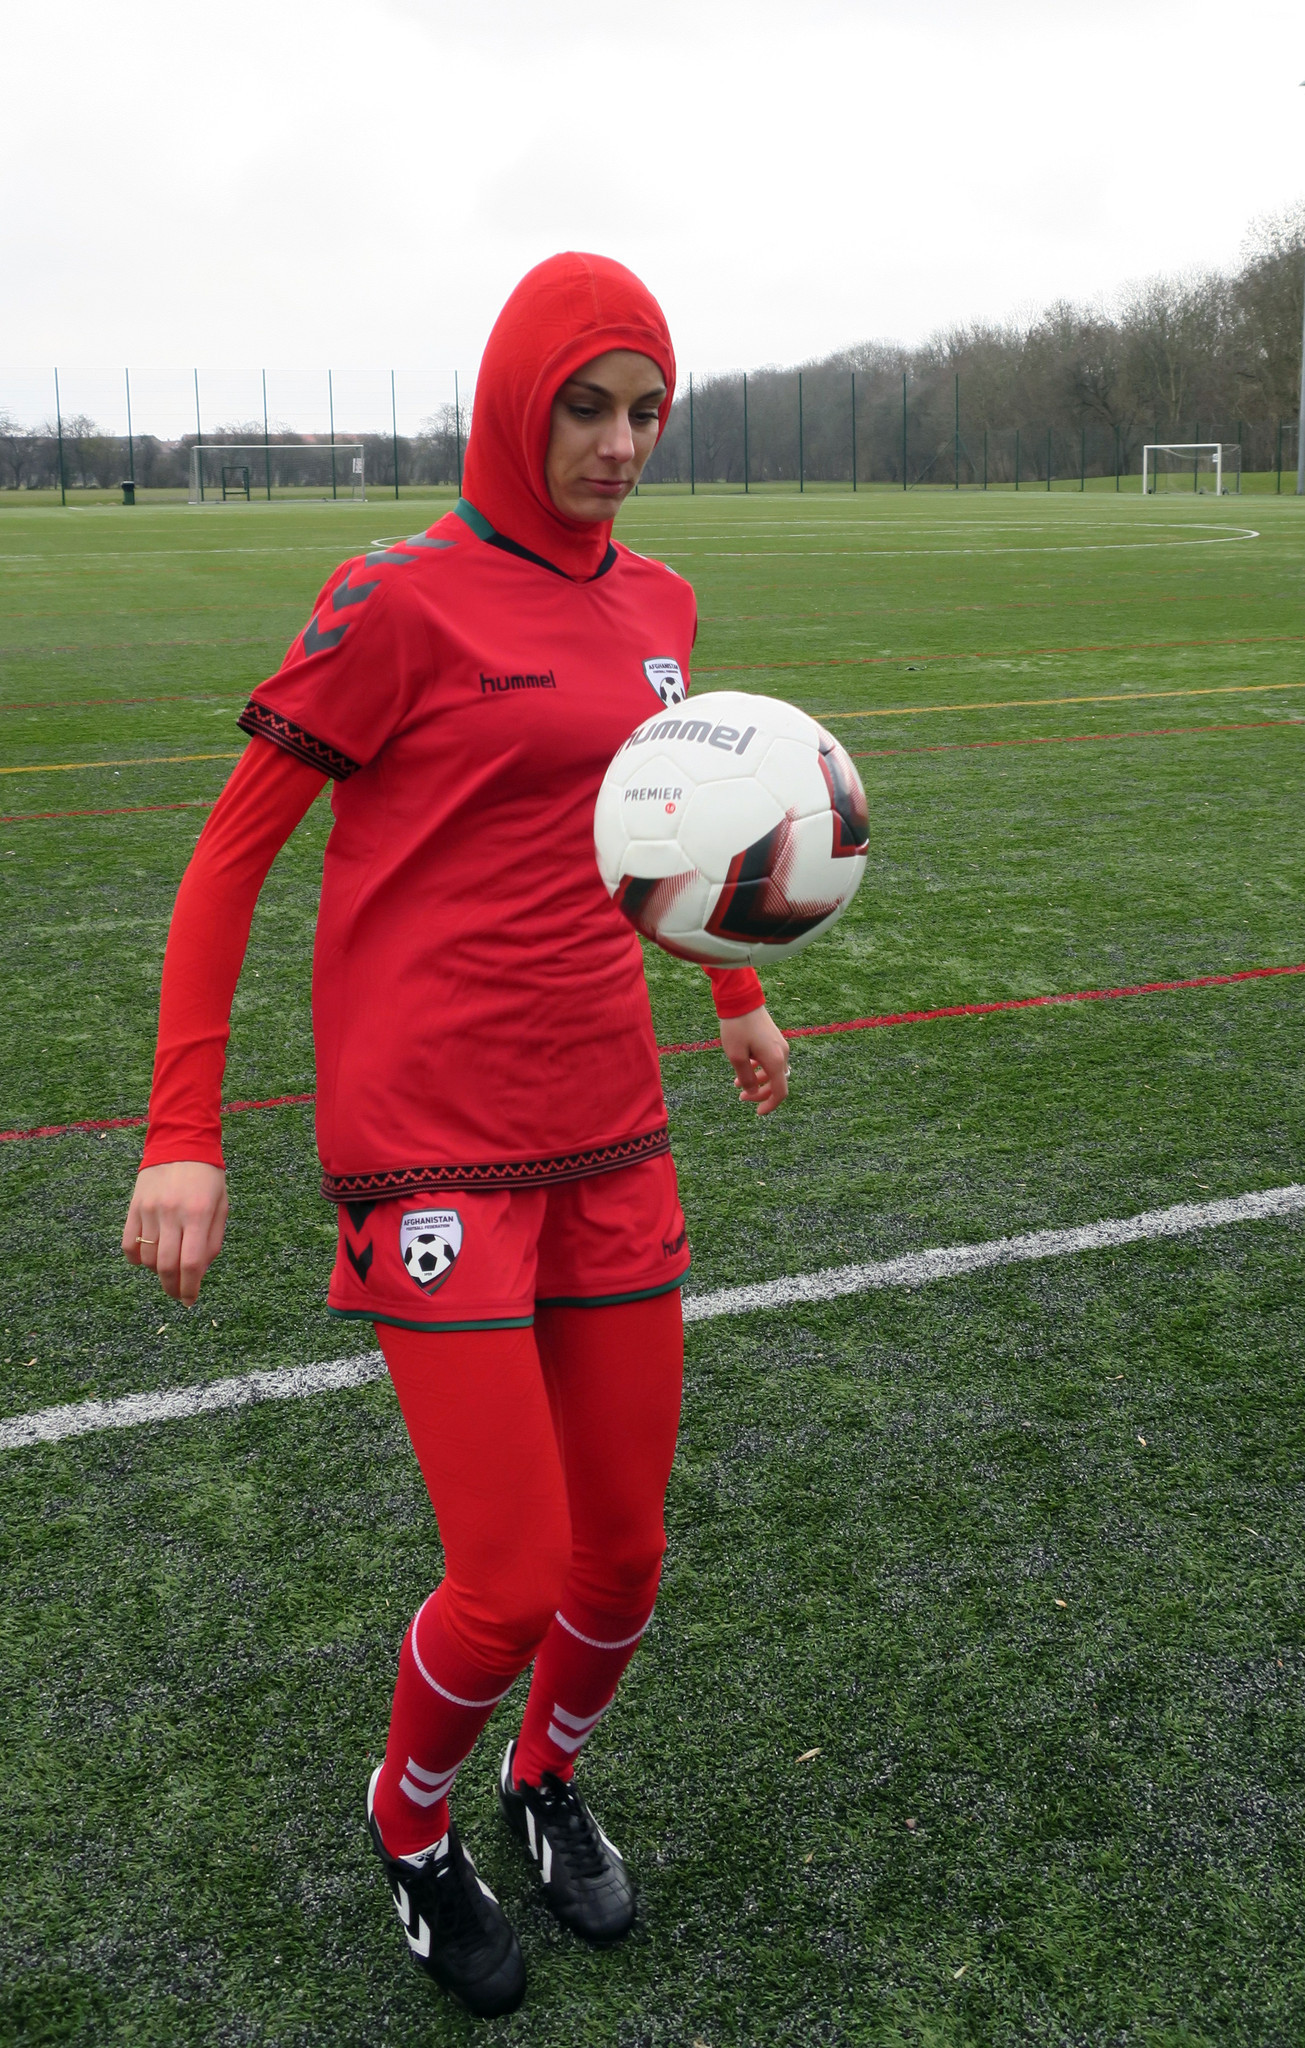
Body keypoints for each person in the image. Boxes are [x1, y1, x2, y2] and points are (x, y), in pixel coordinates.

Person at [122, 252, 791, 2018]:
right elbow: (227, 857)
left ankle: (543, 1780)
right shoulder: (395, 600)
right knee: (507, 1575)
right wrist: (183, 1128)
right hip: (428, 1141)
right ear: (514, 399)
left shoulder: (663, 601)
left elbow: (679, 827)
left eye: (647, 410)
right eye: (586, 405)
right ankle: (411, 1826)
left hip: (608, 1119)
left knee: (625, 1563)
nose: (620, 443)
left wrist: (733, 996)